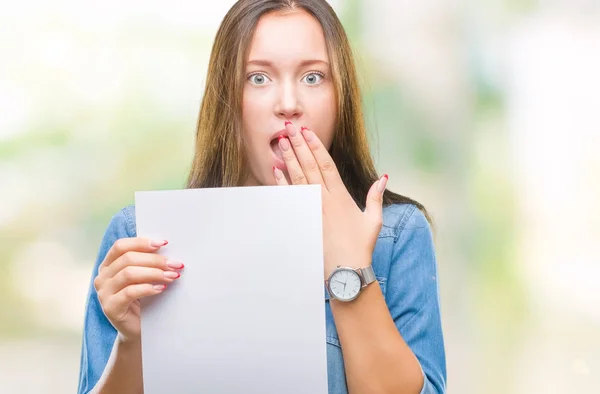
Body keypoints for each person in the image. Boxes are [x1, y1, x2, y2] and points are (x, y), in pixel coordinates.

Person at [77, 0, 446, 393]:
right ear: (227, 102)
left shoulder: (396, 236)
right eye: (258, 78)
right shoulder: (142, 239)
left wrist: (350, 269)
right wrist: (134, 342)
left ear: (342, 99)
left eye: (313, 77)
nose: (288, 104)